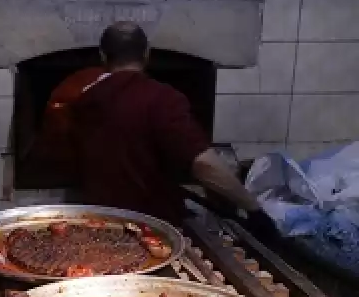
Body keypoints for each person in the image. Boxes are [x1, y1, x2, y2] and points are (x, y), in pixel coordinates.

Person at [30, 21, 276, 236]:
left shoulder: (78, 102)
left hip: (100, 225)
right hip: (153, 230)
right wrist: (253, 209)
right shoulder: (162, 99)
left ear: (103, 56)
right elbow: (204, 164)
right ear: (147, 54)